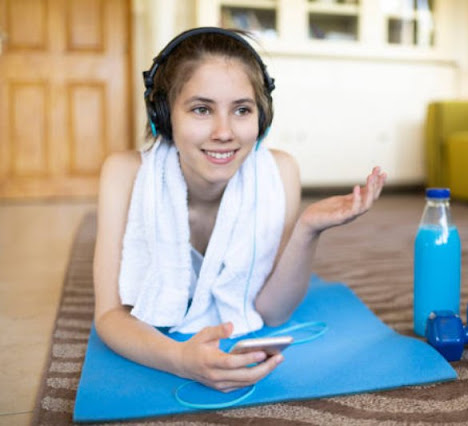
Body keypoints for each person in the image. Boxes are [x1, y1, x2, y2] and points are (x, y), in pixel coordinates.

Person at [93, 27, 386, 393]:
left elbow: (273, 312)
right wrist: (180, 359)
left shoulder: (280, 171)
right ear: (164, 115)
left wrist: (308, 229)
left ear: (262, 118)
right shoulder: (124, 174)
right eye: (202, 109)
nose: (224, 132)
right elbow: (109, 315)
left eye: (242, 110)